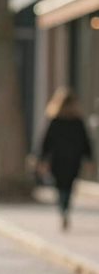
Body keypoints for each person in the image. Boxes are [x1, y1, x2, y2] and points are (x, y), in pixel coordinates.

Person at [38, 86, 94, 230]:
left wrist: (42, 159)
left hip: (58, 160)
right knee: (69, 186)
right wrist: (89, 158)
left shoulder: (55, 120)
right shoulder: (77, 121)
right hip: (73, 160)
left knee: (60, 186)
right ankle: (65, 208)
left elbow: (46, 141)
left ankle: (62, 209)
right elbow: (85, 141)